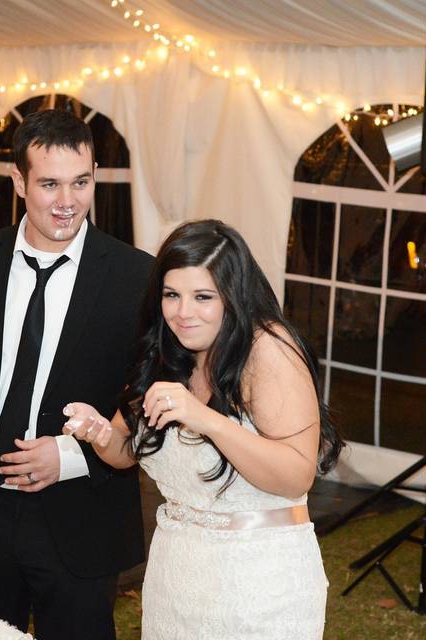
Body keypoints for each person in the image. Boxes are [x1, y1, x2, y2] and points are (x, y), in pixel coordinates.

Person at [0, 108, 152, 639]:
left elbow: (148, 395)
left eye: (81, 182)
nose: (68, 202)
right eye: (49, 184)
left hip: (81, 519)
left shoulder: (137, 276)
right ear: (18, 181)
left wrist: (75, 453)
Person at [64, 219, 343, 639]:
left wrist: (205, 418)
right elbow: (124, 450)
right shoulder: (169, 350)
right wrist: (99, 432)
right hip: (175, 582)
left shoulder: (268, 351)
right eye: (172, 295)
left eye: (202, 297)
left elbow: (295, 475)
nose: (183, 312)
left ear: (233, 296)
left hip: (260, 589)